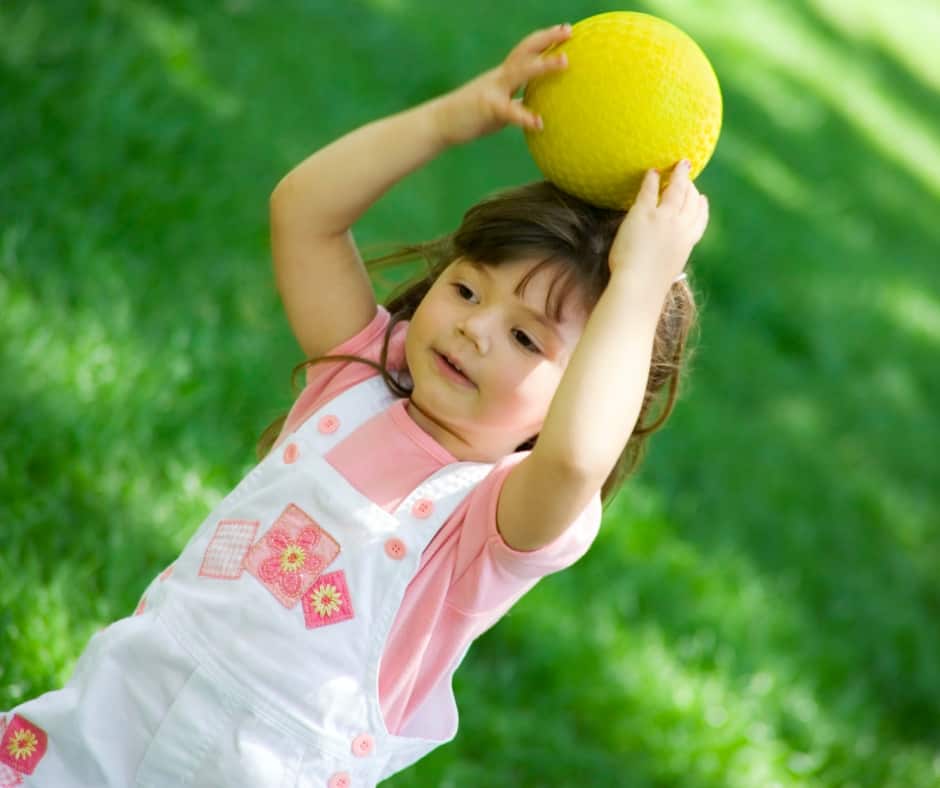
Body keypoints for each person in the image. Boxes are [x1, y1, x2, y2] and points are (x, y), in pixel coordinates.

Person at [0, 23, 708, 788]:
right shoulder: (359, 377)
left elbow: (575, 457)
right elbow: (302, 210)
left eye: (526, 339)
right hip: (121, 707)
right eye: (467, 289)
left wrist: (639, 285)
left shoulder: (493, 523)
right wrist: (450, 118)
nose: (473, 327)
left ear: (579, 392)